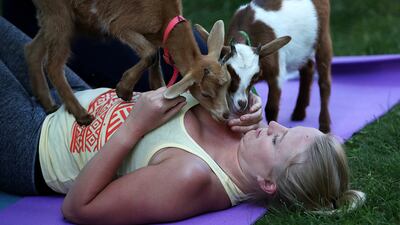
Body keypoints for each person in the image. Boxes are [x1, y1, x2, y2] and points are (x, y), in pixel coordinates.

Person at [0, 17, 365, 225]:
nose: (272, 125)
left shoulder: (192, 179)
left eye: (276, 140)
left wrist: (135, 128)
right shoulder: (247, 138)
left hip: (35, 144)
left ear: (268, 184)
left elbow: (77, 209)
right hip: (73, 96)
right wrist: (245, 100)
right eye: (284, 127)